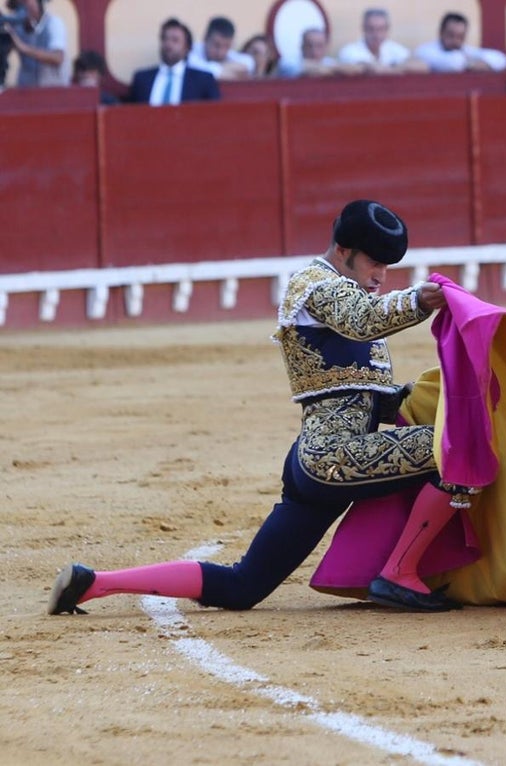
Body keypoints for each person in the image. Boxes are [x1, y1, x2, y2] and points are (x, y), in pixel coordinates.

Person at [48, 200, 465, 616]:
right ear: (343, 249)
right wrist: (419, 301)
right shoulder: (316, 285)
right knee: (459, 447)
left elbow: (353, 386)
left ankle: (93, 583)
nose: (380, 276)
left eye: (386, 267)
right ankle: (399, 573)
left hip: (318, 464)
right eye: (374, 262)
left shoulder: (343, 291)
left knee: (242, 587)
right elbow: (362, 319)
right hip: (334, 458)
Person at [128, 17, 220, 106]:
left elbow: (214, 114)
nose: (168, 44)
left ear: (187, 48)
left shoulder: (203, 80)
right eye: (165, 39)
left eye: (175, 40)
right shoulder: (141, 79)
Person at [337, 7, 427, 74]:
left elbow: (422, 66)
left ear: (387, 30)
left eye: (381, 29)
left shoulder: (394, 48)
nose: (376, 35)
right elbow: (354, 68)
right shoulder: (349, 50)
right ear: (363, 29)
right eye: (371, 29)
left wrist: (391, 69)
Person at [1, 0, 68, 87]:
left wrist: (23, 47)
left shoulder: (53, 23)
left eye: (26, 2)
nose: (23, 7)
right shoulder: (17, 27)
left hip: (52, 91)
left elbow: (57, 58)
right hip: (26, 92)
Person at [414, 12, 506, 73]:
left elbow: (501, 60)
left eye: (460, 37)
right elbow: (453, 64)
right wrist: (471, 64)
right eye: (451, 35)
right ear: (441, 32)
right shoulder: (425, 51)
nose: (455, 40)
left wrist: (471, 63)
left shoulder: (466, 50)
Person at [188, 16, 256, 80]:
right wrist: (228, 70)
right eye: (216, 45)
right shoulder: (189, 52)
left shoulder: (229, 54)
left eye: (227, 46)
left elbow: (248, 63)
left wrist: (219, 69)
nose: (221, 52)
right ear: (205, 38)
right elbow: (206, 72)